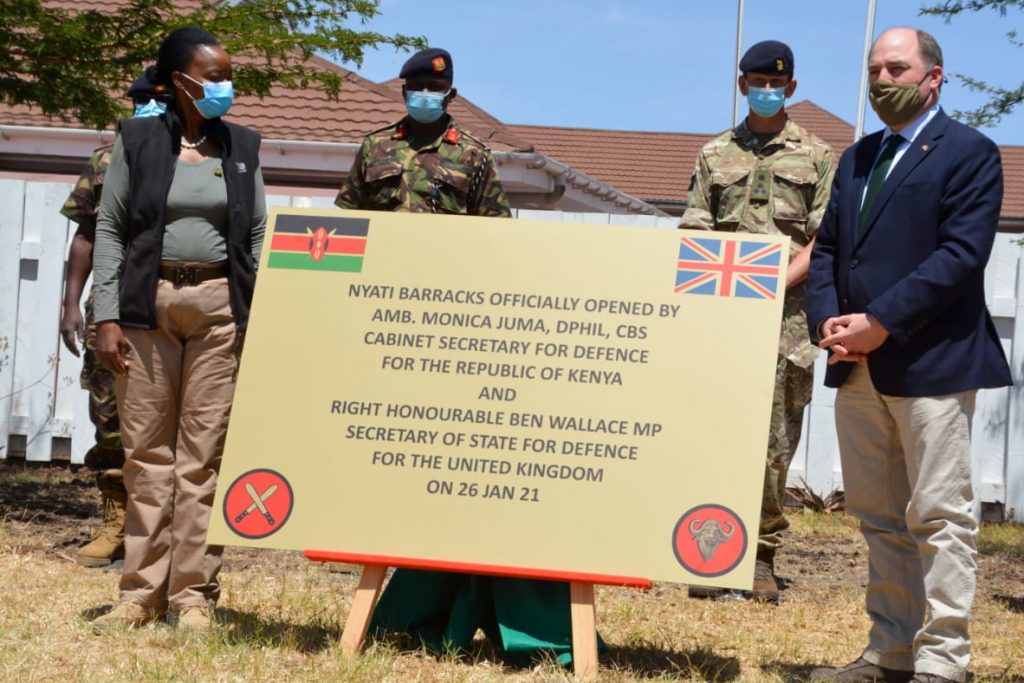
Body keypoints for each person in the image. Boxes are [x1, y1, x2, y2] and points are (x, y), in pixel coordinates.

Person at [336, 48, 581, 665]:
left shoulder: (473, 155)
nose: (423, 94)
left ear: (449, 94)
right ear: (403, 90)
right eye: (415, 85)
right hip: (380, 315)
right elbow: (347, 225)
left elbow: (492, 238)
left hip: (446, 324)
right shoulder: (373, 149)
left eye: (434, 87)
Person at [806, 28, 1011, 683]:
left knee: (940, 514)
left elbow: (959, 256)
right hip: (856, 365)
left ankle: (943, 659)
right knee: (877, 515)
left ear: (934, 78)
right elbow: (832, 250)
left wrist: (882, 321)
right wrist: (828, 322)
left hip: (934, 363)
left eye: (897, 66)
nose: (881, 79)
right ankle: (890, 650)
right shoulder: (857, 157)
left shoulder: (971, 153)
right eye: (874, 68)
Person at [90, 27, 267, 633]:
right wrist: (105, 315)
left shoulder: (242, 145)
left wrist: (261, 309)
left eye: (227, 73)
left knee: (202, 460)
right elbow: (110, 228)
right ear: (177, 82)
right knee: (147, 456)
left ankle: (192, 597)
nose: (225, 85)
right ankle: (139, 593)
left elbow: (259, 232)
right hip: (148, 307)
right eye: (213, 75)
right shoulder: (137, 139)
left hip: (220, 308)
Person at [680, 40, 836, 603]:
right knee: (713, 434)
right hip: (722, 322)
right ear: (741, 85)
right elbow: (696, 230)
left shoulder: (819, 156)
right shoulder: (714, 154)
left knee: (774, 445)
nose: (766, 89)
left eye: (776, 83)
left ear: (790, 88)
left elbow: (826, 241)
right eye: (755, 81)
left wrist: (776, 281)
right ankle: (709, 552)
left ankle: (761, 558)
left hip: (786, 325)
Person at [59, 65, 174, 569]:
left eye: (155, 103)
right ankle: (115, 525)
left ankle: (162, 534)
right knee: (109, 418)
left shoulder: (192, 158)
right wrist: (69, 305)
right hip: (108, 306)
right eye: (139, 103)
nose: (145, 111)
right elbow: (86, 235)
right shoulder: (107, 158)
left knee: (168, 420)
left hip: (168, 303)